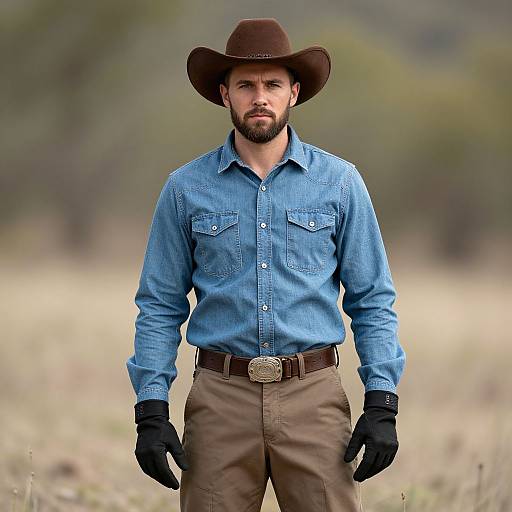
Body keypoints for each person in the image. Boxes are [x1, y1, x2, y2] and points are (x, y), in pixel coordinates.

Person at [126, 17, 406, 512]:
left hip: (314, 398)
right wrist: (150, 408)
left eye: (273, 84)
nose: (260, 96)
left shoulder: (341, 183)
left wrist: (382, 400)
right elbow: (159, 304)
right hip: (219, 401)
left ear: (294, 92)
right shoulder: (185, 189)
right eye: (246, 85)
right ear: (224, 94)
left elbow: (372, 299)